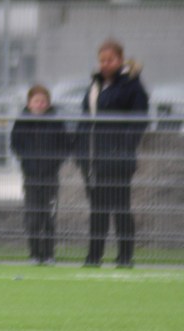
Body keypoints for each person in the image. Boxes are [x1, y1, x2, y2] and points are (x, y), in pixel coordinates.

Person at [75, 39, 149, 268]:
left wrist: (122, 149)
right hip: (93, 158)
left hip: (118, 159)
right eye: (102, 60)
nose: (105, 64)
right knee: (97, 210)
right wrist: (80, 151)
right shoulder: (95, 86)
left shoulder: (132, 86)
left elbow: (138, 122)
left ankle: (125, 257)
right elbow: (85, 120)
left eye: (110, 60)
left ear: (120, 59)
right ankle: (93, 256)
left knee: (120, 208)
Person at [10, 84, 70, 265]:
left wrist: (54, 162)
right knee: (33, 215)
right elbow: (16, 144)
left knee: (49, 215)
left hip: (50, 176)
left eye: (44, 101)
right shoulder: (21, 122)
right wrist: (27, 162)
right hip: (31, 176)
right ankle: (34, 253)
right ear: (29, 103)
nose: (40, 104)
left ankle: (48, 254)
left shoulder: (56, 121)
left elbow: (65, 145)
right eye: (36, 101)